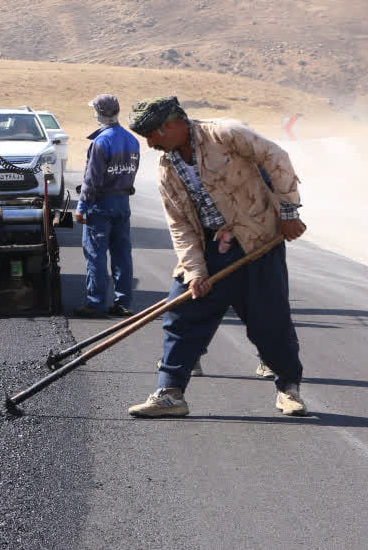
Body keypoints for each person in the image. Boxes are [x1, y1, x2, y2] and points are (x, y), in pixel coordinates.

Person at [125, 96, 308, 419]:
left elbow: (276, 157)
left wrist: (289, 211)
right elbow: (180, 225)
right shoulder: (168, 170)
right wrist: (195, 271)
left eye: (153, 135)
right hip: (211, 250)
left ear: (172, 125)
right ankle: (170, 393)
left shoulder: (226, 134)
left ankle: (288, 389)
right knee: (181, 316)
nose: (150, 144)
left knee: (270, 323)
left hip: (258, 244)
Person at [71, 94, 140, 318]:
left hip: (101, 205)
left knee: (96, 255)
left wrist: (81, 207)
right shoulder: (132, 140)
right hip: (122, 203)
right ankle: (123, 303)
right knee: (122, 254)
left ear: (100, 113)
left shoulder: (101, 142)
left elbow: (92, 180)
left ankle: (96, 303)